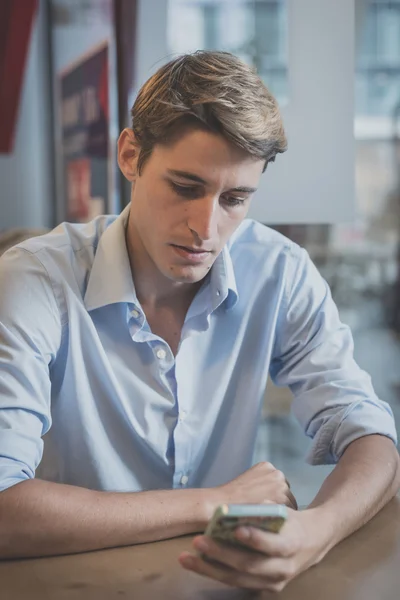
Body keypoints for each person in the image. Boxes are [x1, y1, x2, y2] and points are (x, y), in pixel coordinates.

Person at [0, 51, 398, 592]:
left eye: (235, 199)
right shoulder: (33, 280)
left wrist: (314, 532)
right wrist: (213, 502)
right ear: (130, 155)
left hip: (217, 585)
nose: (205, 229)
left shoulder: (279, 271)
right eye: (186, 187)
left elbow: (369, 431)